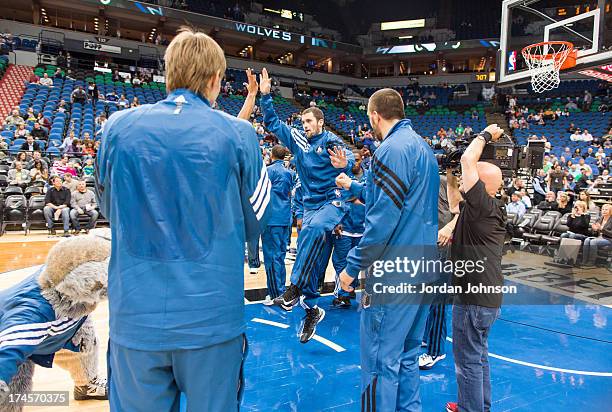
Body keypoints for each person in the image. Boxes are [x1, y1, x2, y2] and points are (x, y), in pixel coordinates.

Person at [96, 27, 269, 412]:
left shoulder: (116, 129)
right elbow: (258, 219)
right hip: (211, 320)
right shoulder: (239, 134)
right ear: (213, 80)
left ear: (169, 73)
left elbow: (108, 208)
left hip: (134, 318)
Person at [337, 88, 439, 411]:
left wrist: (352, 268)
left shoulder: (389, 150)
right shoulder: (424, 150)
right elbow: (396, 200)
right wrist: (353, 186)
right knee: (407, 357)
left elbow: (381, 222)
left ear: (374, 116)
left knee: (380, 362)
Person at [260, 67, 355, 343]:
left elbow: (346, 155)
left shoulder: (330, 140)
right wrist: (266, 96)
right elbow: (273, 124)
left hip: (334, 201)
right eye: (303, 121)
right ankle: (311, 308)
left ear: (321, 123)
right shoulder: (298, 140)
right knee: (308, 249)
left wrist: (345, 163)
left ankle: (292, 289)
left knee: (312, 232)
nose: (305, 125)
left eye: (309, 121)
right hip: (312, 206)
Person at [445, 124, 507, 412]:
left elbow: (468, 160)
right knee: (478, 356)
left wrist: (485, 135)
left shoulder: (482, 205)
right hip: (486, 297)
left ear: (481, 184)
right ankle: (479, 406)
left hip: (473, 299)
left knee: (467, 360)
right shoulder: (482, 207)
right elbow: (455, 204)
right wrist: (449, 176)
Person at [419, 173, 459, 370]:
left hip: (444, 249)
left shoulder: (445, 182)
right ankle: (428, 337)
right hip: (428, 247)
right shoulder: (420, 185)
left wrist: (449, 228)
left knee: (438, 302)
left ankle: (436, 351)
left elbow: (464, 213)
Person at [331, 151, 366, 308]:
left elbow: (373, 197)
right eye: (353, 160)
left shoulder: (368, 177)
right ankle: (342, 294)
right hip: (344, 226)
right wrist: (357, 197)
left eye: (357, 160)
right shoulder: (341, 176)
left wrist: (354, 195)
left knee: (356, 262)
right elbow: (338, 198)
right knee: (340, 261)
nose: (355, 163)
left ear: (362, 159)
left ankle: (350, 288)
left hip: (363, 228)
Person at [259, 145, 293, 303]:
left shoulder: (267, 171)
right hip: (285, 218)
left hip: (271, 219)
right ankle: (281, 289)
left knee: (271, 257)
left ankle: (275, 294)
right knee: (280, 256)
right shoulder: (290, 173)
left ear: (271, 155)